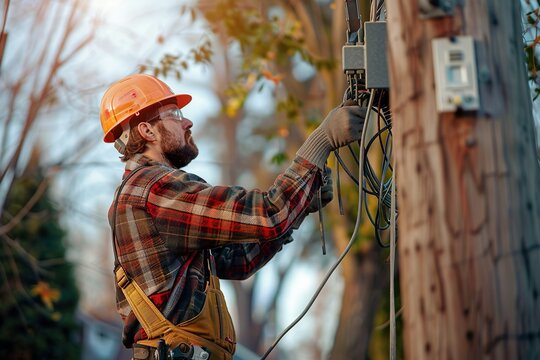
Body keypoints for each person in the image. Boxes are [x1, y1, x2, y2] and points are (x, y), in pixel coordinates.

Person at [99, 73, 366, 360]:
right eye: (175, 114)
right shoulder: (153, 188)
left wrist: (300, 209)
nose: (187, 122)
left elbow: (239, 261)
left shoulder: (149, 192)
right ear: (147, 131)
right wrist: (322, 140)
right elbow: (268, 213)